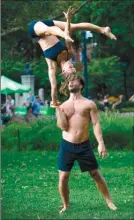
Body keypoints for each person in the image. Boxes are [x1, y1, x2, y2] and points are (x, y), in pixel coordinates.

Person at [27, 7, 117, 106]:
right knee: (72, 27)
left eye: (70, 67)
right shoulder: (69, 54)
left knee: (47, 30)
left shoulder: (52, 65)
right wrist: (68, 19)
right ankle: (103, 30)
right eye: (73, 67)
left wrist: (54, 101)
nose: (71, 65)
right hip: (54, 30)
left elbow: (53, 87)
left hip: (36, 30)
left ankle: (62, 34)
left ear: (63, 72)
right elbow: (68, 32)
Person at [55, 76, 117, 214]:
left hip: (84, 145)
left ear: (81, 85)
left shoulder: (89, 104)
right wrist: (58, 110)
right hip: (67, 145)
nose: (70, 82)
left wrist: (101, 143)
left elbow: (95, 124)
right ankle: (66, 205)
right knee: (63, 177)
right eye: (68, 81)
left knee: (95, 173)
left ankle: (109, 201)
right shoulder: (63, 106)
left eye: (74, 80)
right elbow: (62, 127)